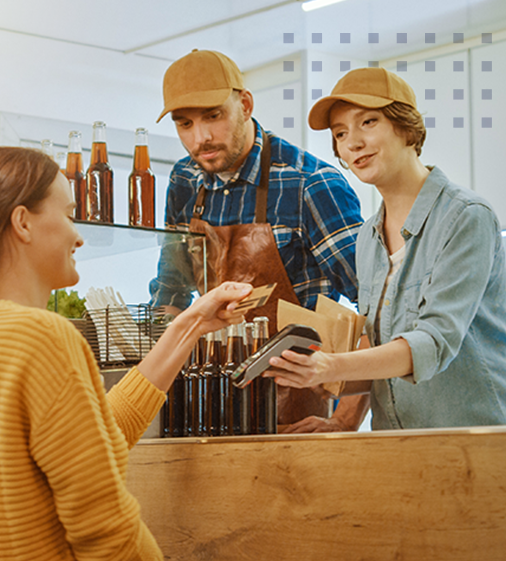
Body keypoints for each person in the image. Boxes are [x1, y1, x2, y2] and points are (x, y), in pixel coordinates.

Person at [0, 146, 252, 561]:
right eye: (69, 213)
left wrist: (189, 324)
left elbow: (97, 437)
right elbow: (98, 521)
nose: (78, 234)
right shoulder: (44, 334)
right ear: (23, 223)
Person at [266, 67, 506, 430]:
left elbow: (432, 342)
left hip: (479, 440)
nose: (353, 143)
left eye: (368, 122)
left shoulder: (466, 217)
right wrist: (326, 400)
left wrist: (332, 366)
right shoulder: (366, 238)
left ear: (406, 126)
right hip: (398, 444)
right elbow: (384, 360)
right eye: (341, 134)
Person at [149, 48, 366, 427]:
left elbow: (377, 307)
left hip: (296, 406)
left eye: (213, 117)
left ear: (245, 104)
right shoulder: (184, 181)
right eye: (184, 124)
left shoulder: (309, 183)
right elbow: (171, 291)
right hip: (211, 400)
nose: (201, 138)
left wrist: (343, 423)